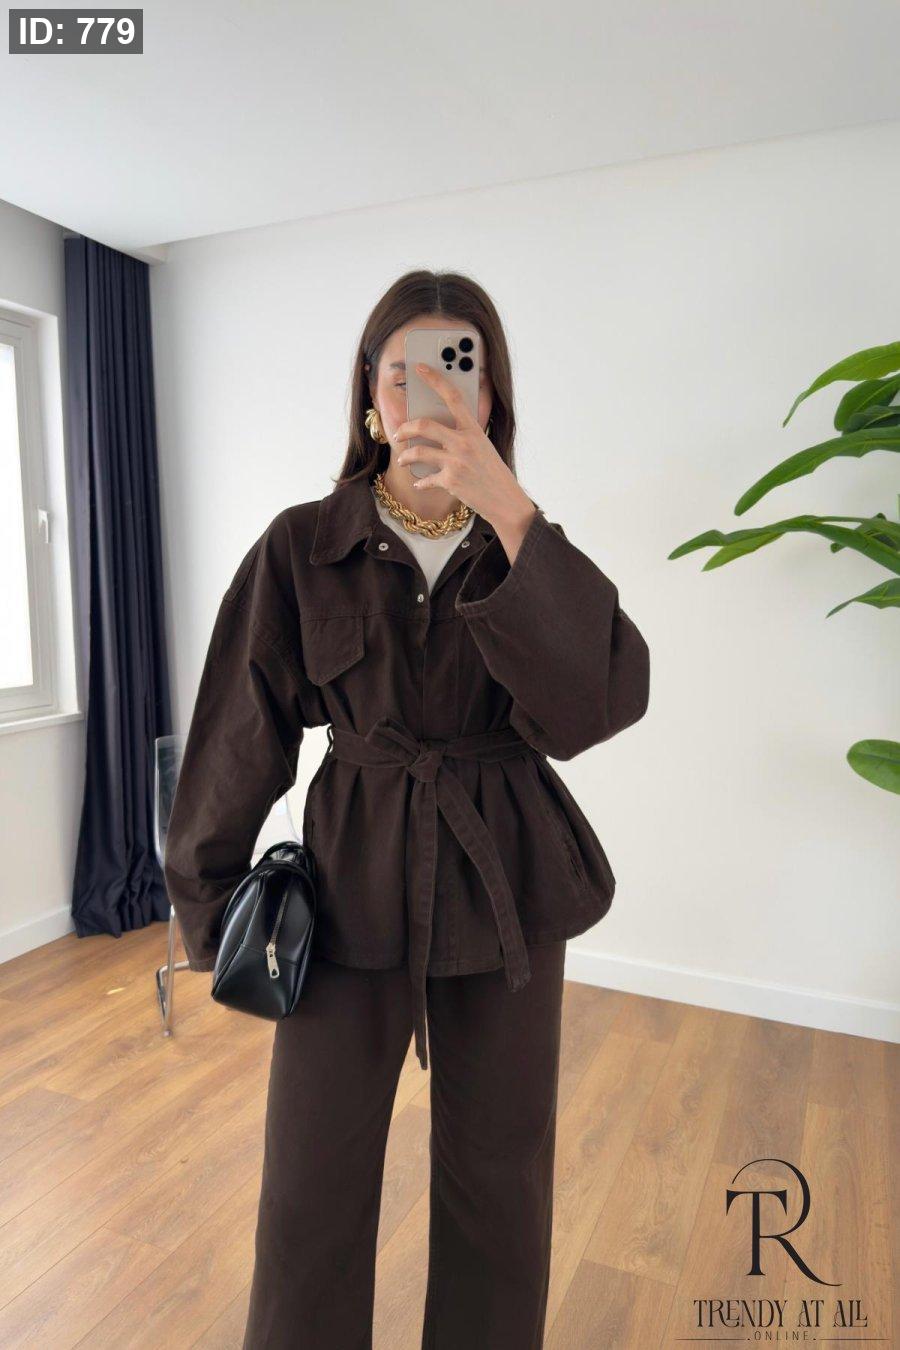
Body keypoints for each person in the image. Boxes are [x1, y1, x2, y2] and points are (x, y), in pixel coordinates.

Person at [163, 269, 651, 1349]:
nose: (429, 391)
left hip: (504, 882)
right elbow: (240, 726)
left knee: (500, 1179)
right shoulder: (303, 546)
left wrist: (513, 512)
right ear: (368, 396)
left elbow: (598, 706)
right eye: (404, 371)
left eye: (458, 368)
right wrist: (209, 907)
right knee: (310, 1182)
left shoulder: (525, 546)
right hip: (349, 886)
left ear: (492, 396)